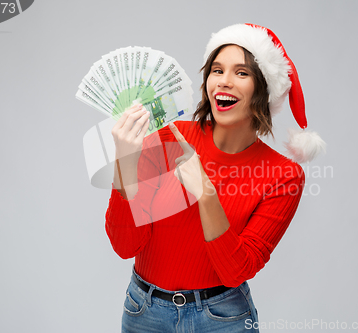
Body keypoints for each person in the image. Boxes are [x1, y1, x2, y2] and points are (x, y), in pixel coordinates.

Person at [106, 23, 324, 333]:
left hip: (221, 319)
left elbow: (236, 270)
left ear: (263, 89)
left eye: (242, 73)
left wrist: (206, 194)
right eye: (217, 70)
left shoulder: (283, 176)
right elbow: (125, 245)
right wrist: (124, 162)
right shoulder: (171, 137)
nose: (225, 82)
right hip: (145, 314)